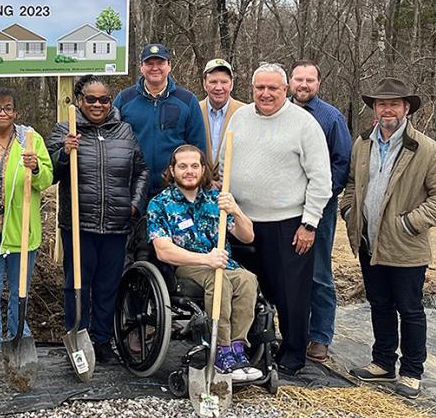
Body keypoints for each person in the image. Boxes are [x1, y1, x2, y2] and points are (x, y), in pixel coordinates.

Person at [341, 78, 436, 398]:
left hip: (406, 246)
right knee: (379, 304)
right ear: (375, 109)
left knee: (409, 309)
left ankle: (411, 371)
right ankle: (382, 362)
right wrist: (350, 212)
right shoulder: (362, 144)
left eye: (394, 103)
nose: (387, 109)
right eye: (382, 104)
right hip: (370, 242)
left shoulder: (427, 150)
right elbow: (352, 184)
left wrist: (409, 223)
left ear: (406, 108)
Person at [224, 63, 331, 375]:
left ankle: (292, 355)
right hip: (242, 222)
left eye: (273, 88)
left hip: (288, 224)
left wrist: (309, 223)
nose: (265, 94)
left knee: (290, 295)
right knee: (251, 289)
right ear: (251, 89)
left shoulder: (303, 124)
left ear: (285, 90)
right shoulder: (240, 118)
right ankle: (253, 344)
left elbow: (321, 180)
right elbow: (224, 163)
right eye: (260, 88)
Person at [47, 74, 149, 365]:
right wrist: (64, 153)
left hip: (117, 225)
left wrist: (133, 205)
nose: (97, 104)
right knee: (78, 284)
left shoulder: (124, 131)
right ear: (80, 101)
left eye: (104, 99)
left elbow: (141, 170)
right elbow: (49, 171)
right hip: (79, 224)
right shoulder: (65, 129)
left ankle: (102, 340)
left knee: (108, 285)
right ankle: (78, 335)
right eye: (90, 99)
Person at [147, 144, 260, 382]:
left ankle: (238, 348)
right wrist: (205, 259)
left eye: (194, 166)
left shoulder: (215, 200)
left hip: (222, 264)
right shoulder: (160, 204)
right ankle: (221, 349)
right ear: (172, 170)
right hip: (188, 265)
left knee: (248, 279)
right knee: (219, 281)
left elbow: (248, 236)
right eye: (183, 166)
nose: (189, 171)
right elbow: (163, 250)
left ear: (203, 169)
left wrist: (236, 211)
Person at [0, 88, 53, 373]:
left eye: (7, 108)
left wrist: (37, 168)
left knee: (19, 290)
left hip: (20, 231)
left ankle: (18, 337)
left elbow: (47, 178)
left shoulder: (30, 139)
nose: (1, 113)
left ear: (15, 112)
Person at [288, 60, 352, 364]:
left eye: (309, 80)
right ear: (289, 82)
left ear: (318, 83)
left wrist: (321, 200)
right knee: (284, 269)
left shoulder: (330, 118)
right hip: (283, 206)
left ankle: (320, 336)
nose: (303, 85)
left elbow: (341, 164)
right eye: (298, 79)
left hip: (319, 208)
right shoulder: (278, 113)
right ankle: (289, 331)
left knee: (318, 272)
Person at [114, 43, 205, 197]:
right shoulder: (124, 99)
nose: (155, 68)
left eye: (160, 63)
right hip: (133, 188)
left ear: (169, 65)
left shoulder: (187, 101)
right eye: (149, 63)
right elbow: (113, 141)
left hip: (175, 190)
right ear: (141, 67)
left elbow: (197, 146)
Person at [199, 58, 245, 166]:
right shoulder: (194, 111)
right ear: (205, 84)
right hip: (200, 181)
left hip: (233, 181)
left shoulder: (244, 113)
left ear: (231, 84)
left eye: (224, 82)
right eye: (213, 82)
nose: (219, 88)